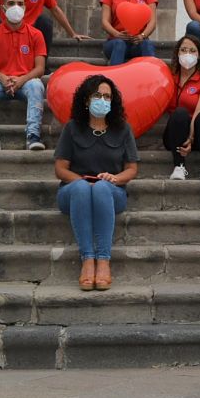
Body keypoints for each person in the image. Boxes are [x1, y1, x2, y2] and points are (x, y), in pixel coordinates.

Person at [54, 75, 140, 291]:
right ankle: (87, 259)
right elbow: (60, 169)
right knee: (84, 188)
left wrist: (115, 179)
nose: (102, 100)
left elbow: (132, 169)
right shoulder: (72, 128)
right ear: (86, 100)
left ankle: (103, 260)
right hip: (73, 191)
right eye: (97, 95)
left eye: (107, 96)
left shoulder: (123, 129)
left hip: (111, 192)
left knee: (101, 188)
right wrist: (82, 181)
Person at [0, 0, 47, 152]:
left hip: (26, 82)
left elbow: (40, 68)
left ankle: (33, 136)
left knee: (37, 86)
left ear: (25, 7)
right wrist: (2, 77)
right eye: (11, 4)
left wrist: (22, 79)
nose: (16, 7)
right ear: (2, 8)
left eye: (20, 4)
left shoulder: (36, 34)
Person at [164, 36, 200, 180]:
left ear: (199, 55)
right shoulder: (168, 77)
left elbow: (199, 111)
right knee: (180, 113)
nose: (187, 54)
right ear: (177, 53)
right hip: (176, 134)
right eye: (183, 50)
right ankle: (179, 167)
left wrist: (191, 138)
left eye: (192, 50)